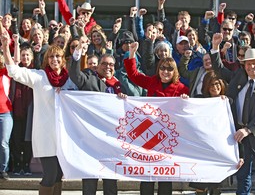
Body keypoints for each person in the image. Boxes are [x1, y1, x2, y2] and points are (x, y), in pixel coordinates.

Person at [1, 32, 77, 194]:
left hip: (63, 138)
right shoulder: (39, 77)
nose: (54, 60)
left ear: (63, 59)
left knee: (58, 176)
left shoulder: (69, 81)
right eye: (51, 57)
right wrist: (6, 47)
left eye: (57, 56)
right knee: (49, 175)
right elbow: (14, 71)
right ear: (46, 60)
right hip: (45, 137)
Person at [210, 32, 255, 195]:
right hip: (238, 137)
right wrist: (214, 48)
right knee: (242, 175)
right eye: (248, 64)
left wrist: (247, 130)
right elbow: (219, 70)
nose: (251, 67)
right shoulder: (238, 78)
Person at [124, 41, 189, 195]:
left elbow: (185, 114)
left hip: (167, 137)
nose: (165, 72)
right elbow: (133, 75)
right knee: (147, 175)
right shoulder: (152, 82)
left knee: (165, 176)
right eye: (162, 68)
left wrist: (186, 102)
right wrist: (132, 53)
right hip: (148, 135)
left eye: (169, 69)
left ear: (175, 72)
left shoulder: (182, 89)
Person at [69, 36, 119, 195]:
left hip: (111, 137)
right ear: (97, 66)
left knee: (110, 180)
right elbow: (74, 74)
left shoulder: (118, 85)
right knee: (90, 178)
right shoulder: (88, 78)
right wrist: (78, 51)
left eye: (111, 64)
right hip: (91, 137)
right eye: (104, 64)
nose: (108, 67)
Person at [10, 36, 34, 176]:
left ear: (31, 57)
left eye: (27, 55)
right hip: (16, 108)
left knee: (28, 139)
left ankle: (26, 164)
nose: (25, 57)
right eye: (23, 55)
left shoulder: (35, 71)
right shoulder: (16, 72)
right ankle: (18, 164)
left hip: (31, 109)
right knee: (16, 138)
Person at [0, 51, 13, 180]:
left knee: (4, 142)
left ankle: (3, 169)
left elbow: (15, 62)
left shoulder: (4, 72)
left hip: (5, 113)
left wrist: (15, 42)